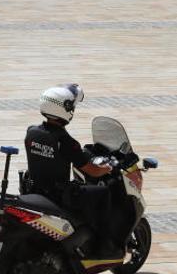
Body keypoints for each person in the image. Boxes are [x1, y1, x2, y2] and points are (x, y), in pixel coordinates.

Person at [24, 84, 130, 260]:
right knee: (103, 193)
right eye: (71, 106)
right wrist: (108, 168)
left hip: (35, 190)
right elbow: (92, 171)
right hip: (60, 194)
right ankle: (105, 245)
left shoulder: (31, 132)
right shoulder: (65, 141)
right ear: (65, 109)